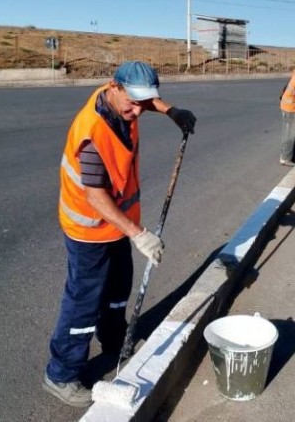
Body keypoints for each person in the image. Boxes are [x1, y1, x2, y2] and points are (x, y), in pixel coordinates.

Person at [43, 61, 196, 407]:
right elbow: (95, 197)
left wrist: (172, 111)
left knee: (118, 287)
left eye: (144, 102)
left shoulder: (125, 103)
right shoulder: (92, 133)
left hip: (116, 226)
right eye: (132, 102)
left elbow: (147, 100)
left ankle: (115, 339)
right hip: (89, 229)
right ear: (114, 86)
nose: (137, 110)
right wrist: (140, 234)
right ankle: (61, 374)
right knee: (84, 300)